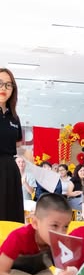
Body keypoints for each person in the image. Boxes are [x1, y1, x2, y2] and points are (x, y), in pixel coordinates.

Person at [0, 68, 25, 222]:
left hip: (10, 171)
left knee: (11, 215)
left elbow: (18, 147)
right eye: (0, 83)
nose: (4, 88)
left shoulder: (14, 117)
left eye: (8, 85)